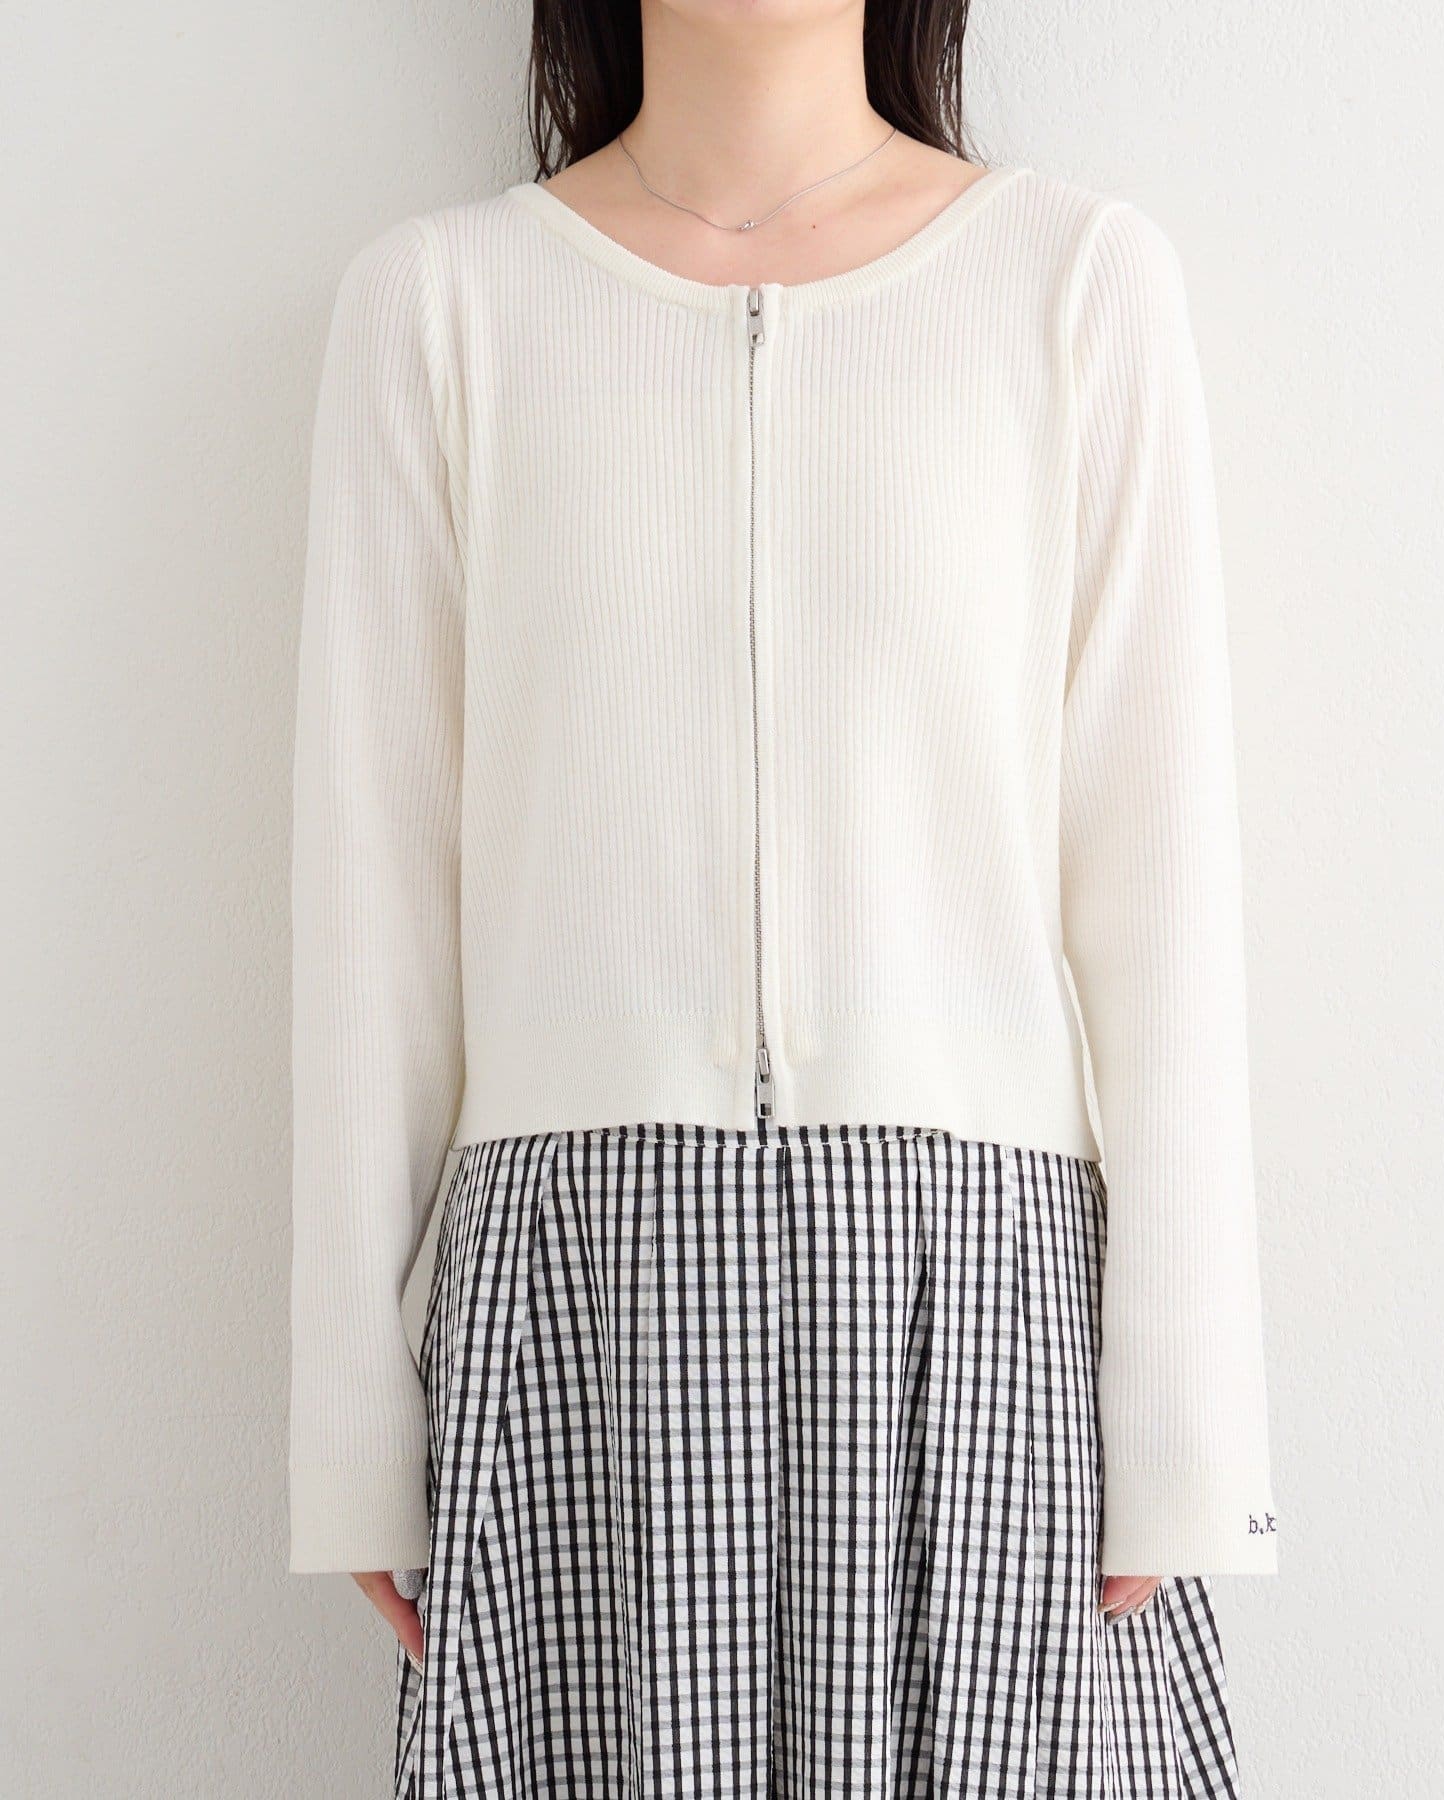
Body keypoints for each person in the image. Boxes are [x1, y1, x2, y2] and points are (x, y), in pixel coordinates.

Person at [288, 3, 1279, 1794]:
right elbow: (372, 884)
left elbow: (1163, 887)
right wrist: (352, 1424)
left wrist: (1192, 1430)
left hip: (975, 1318)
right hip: (581, 1314)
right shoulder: (437, 309)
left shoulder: (1076, 284)